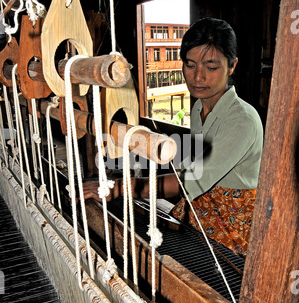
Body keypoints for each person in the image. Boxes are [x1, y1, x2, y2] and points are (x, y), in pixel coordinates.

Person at [83, 17, 263, 256]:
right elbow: (192, 168)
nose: (198, 77)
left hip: (231, 230)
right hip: (201, 210)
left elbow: (189, 181)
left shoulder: (242, 120)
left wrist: (118, 188)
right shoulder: (199, 108)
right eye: (190, 65)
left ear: (232, 66)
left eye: (211, 67)